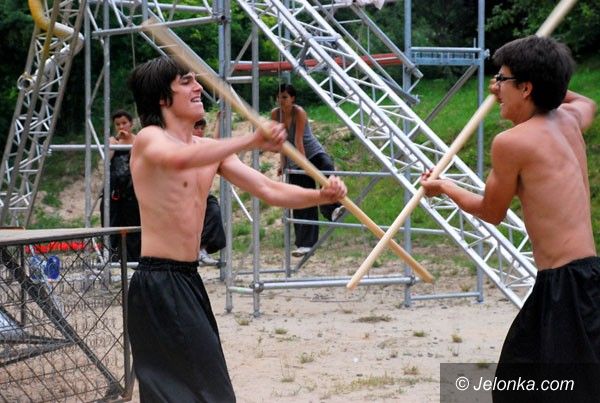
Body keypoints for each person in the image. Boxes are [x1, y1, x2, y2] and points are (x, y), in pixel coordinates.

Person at [127, 56, 346, 402]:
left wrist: (321, 195)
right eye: (186, 82)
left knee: (191, 392)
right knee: (202, 392)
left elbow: (269, 189)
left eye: (196, 80)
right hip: (159, 282)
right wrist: (250, 141)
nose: (198, 87)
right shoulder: (148, 139)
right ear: (163, 98)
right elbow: (178, 160)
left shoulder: (207, 150)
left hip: (187, 280)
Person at [419, 36, 599, 400]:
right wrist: (544, 84)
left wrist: (445, 187)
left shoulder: (512, 143)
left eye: (501, 79)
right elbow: (586, 102)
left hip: (565, 288)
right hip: (583, 277)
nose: (496, 88)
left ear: (526, 88)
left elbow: (491, 212)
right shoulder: (568, 119)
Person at [271, 83, 345, 257]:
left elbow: (298, 141)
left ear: (293, 98)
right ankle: (305, 244)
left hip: (312, 154)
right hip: (296, 159)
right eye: (279, 97)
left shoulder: (299, 112)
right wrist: (284, 164)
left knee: (327, 170)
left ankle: (333, 209)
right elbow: (281, 142)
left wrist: (305, 165)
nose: (281, 100)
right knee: (302, 200)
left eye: (285, 97)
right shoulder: (275, 114)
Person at [99, 109, 141, 262]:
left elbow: (139, 160)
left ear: (131, 123)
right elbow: (105, 162)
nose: (121, 127)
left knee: (133, 223)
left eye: (124, 123)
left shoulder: (138, 140)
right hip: (114, 189)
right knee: (111, 221)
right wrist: (114, 144)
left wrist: (130, 144)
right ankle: (111, 257)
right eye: (118, 124)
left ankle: (134, 258)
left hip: (133, 189)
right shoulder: (112, 141)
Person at [193, 117, 226, 266]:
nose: (199, 131)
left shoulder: (204, 145)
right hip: (184, 195)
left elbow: (216, 144)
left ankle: (201, 249)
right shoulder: (182, 145)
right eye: (196, 128)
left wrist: (219, 120)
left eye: (202, 128)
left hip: (202, 194)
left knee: (214, 210)